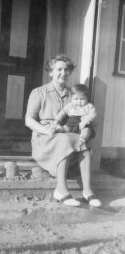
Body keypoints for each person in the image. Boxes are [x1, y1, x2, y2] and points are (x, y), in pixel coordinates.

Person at [25, 54, 102, 207]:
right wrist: (47, 131)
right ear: (51, 72)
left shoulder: (74, 96)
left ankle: (87, 191)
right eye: (59, 69)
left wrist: (87, 131)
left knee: (82, 142)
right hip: (44, 138)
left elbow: (87, 119)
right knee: (66, 139)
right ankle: (60, 189)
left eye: (66, 70)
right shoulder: (39, 92)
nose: (63, 73)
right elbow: (28, 120)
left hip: (67, 137)